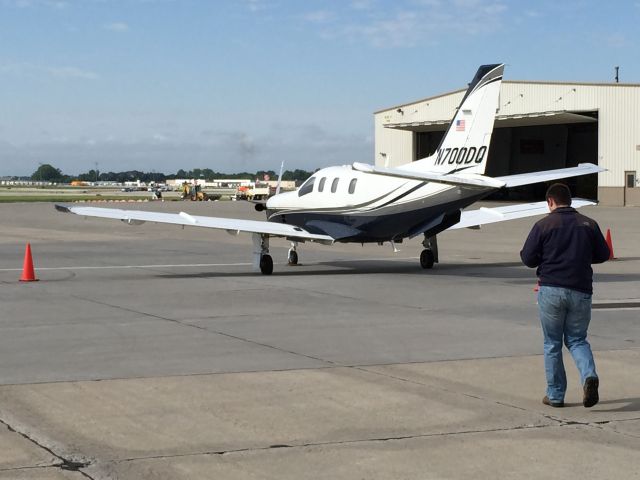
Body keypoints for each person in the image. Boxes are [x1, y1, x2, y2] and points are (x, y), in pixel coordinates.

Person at [520, 183, 610, 408]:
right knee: (577, 339)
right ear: (570, 201)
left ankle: (555, 395)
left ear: (550, 202)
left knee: (552, 343)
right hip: (581, 291)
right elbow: (603, 254)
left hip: (551, 290)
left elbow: (528, 258)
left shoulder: (543, 224)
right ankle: (589, 375)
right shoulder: (589, 224)